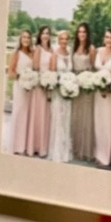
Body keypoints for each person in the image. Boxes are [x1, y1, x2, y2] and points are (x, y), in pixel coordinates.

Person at [93, 26, 111, 168]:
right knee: (99, 122)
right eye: (107, 37)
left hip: (109, 94)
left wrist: (109, 86)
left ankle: (107, 156)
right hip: (98, 93)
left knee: (108, 123)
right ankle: (99, 153)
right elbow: (94, 70)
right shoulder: (98, 51)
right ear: (104, 38)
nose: (109, 40)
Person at [47, 29, 75, 164]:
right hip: (58, 92)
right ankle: (56, 152)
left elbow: (71, 72)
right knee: (58, 120)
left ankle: (65, 151)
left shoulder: (69, 54)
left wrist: (71, 85)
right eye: (61, 39)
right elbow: (52, 74)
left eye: (66, 39)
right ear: (58, 40)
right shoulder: (54, 54)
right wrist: (59, 84)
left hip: (68, 92)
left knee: (66, 120)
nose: (64, 41)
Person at [70, 21, 97, 164]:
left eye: (84, 32)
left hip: (87, 87)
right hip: (75, 86)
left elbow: (93, 68)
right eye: (79, 32)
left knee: (86, 117)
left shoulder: (91, 48)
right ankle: (75, 148)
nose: (81, 34)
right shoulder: (73, 47)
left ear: (87, 34)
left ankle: (86, 151)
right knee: (76, 116)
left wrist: (87, 80)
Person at [27, 24, 54, 157]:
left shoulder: (52, 50)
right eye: (43, 33)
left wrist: (49, 82)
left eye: (47, 33)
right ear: (40, 35)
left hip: (48, 86)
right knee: (37, 115)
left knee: (45, 116)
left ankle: (43, 147)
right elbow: (35, 67)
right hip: (38, 87)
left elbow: (52, 68)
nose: (45, 35)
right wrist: (42, 82)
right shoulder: (37, 49)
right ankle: (35, 146)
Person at [9, 29, 37, 155]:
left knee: (28, 114)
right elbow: (11, 72)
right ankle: (16, 145)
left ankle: (25, 145)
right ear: (20, 39)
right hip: (20, 87)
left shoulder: (32, 53)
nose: (26, 39)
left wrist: (31, 79)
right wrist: (21, 78)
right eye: (24, 37)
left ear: (31, 40)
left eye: (28, 37)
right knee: (19, 112)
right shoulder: (16, 53)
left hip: (30, 88)